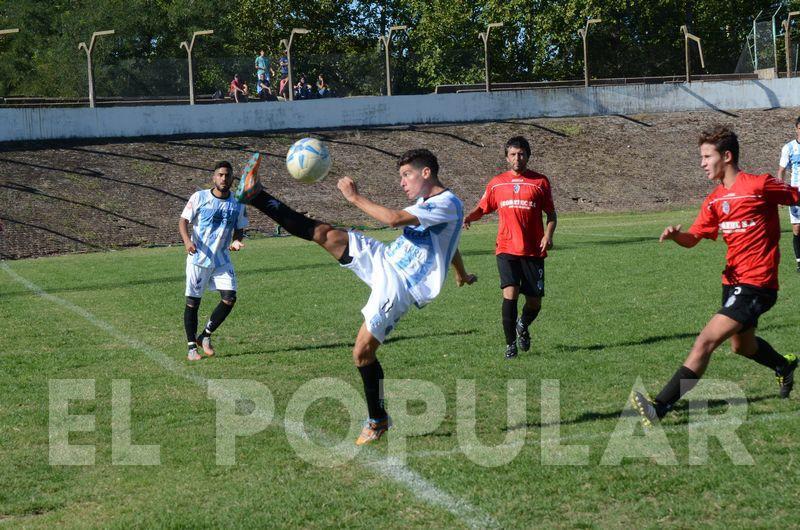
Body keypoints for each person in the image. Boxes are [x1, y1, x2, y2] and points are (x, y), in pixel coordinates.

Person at [234, 149, 477, 444]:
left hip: (399, 283)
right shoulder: (428, 204)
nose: (402, 182)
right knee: (325, 234)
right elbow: (448, 244)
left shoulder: (448, 203)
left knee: (361, 354)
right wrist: (460, 273)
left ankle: (378, 419)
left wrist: (354, 198)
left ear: (426, 173)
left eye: (406, 175)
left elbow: (393, 219)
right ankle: (256, 195)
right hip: (385, 259)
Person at [631, 126, 799, 426]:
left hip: (758, 284)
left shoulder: (760, 185)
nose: (702, 163)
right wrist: (677, 236)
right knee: (742, 347)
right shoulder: (714, 200)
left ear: (727, 156)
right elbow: (695, 237)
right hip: (732, 283)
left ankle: (660, 406)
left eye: (707, 156)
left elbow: (795, 196)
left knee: (706, 340)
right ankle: (784, 364)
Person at [463, 136, 557, 359]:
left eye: (521, 153)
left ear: (528, 156)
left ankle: (522, 324)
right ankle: (510, 346)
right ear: (507, 158)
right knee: (510, 294)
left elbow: (551, 215)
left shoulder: (540, 182)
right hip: (506, 248)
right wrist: (469, 217)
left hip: (533, 250)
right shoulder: (497, 183)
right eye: (513, 154)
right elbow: (482, 208)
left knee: (534, 302)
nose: (517, 158)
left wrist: (548, 235)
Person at [179, 161, 248, 361]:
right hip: (198, 258)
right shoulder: (199, 197)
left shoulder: (238, 202)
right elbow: (183, 220)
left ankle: (205, 336)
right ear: (213, 177)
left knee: (230, 297)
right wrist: (186, 241)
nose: (223, 179)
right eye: (220, 175)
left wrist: (237, 241)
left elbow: (240, 228)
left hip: (222, 259)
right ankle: (192, 348)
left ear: (232, 178)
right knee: (193, 302)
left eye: (227, 175)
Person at [777, 115, 800, 272]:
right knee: (797, 228)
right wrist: (780, 193)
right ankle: (799, 261)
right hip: (796, 194)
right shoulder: (789, 148)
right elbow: (782, 171)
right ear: (796, 128)